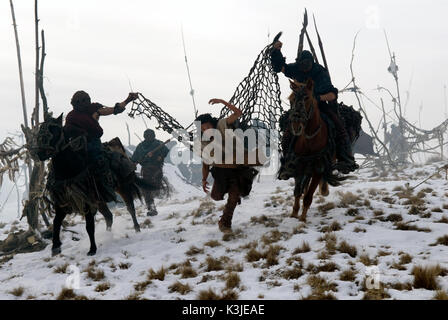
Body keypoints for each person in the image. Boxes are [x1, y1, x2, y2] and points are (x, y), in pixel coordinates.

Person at [270, 42, 358, 178]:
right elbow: (281, 68)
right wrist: (276, 51)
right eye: (302, 64)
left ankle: (346, 159)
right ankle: (288, 163)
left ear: (311, 63)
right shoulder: (296, 68)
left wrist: (317, 97)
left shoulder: (320, 72)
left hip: (319, 106)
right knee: (288, 130)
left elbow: (332, 94)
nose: (304, 67)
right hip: (300, 107)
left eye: (306, 64)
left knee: (338, 125)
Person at [195, 99, 259, 233]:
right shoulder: (204, 142)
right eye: (203, 129)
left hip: (236, 169)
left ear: (212, 123)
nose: (206, 130)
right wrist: (204, 179)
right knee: (216, 196)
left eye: (207, 126)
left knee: (234, 196)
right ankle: (225, 217)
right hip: (221, 172)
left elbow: (238, 113)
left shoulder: (222, 124)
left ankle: (225, 223)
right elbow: (205, 163)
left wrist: (222, 102)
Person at [64, 90, 138, 202]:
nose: (84, 103)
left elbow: (114, 109)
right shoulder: (71, 116)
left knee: (101, 162)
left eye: (85, 100)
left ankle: (108, 186)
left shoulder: (94, 109)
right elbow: (67, 131)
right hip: (77, 146)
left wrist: (128, 100)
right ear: (75, 103)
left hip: (94, 145)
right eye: (81, 101)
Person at [131, 129, 169, 216]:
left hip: (156, 168)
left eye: (150, 135)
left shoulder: (158, 144)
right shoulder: (140, 147)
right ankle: (151, 207)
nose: (149, 137)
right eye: (147, 136)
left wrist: (160, 156)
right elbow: (134, 159)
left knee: (149, 188)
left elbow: (166, 150)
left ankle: (151, 206)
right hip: (146, 170)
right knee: (146, 189)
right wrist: (133, 164)